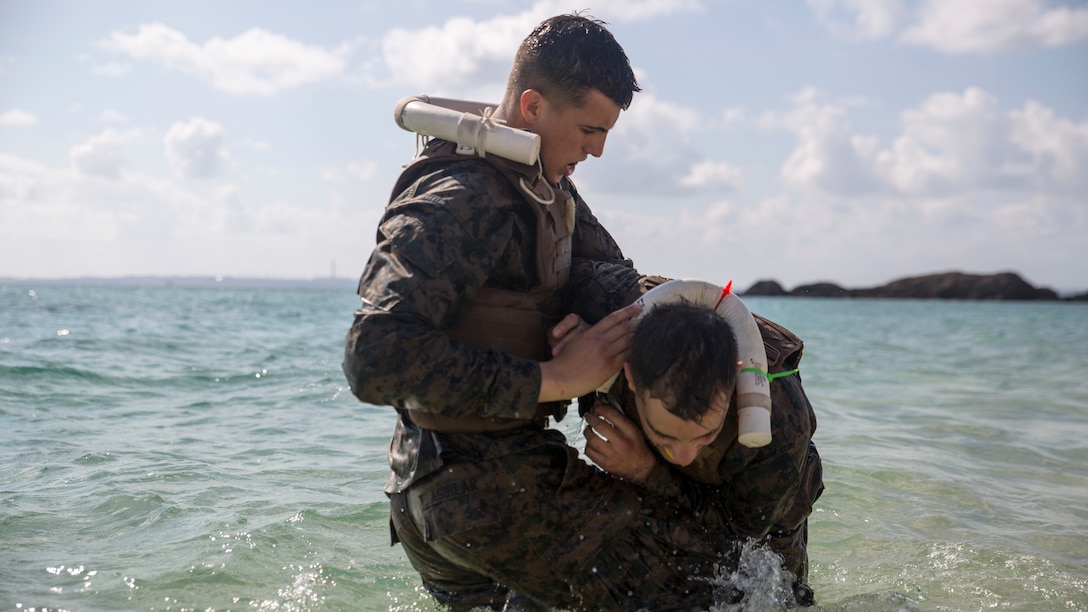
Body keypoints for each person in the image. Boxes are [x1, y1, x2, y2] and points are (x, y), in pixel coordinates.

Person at [343, 13, 742, 611]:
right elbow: (374, 356)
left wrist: (583, 331)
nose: (598, 149)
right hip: (480, 491)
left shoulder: (542, 185)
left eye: (606, 132)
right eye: (588, 128)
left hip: (451, 497)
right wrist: (553, 379)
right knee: (715, 581)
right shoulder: (461, 198)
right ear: (532, 106)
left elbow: (614, 278)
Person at [577, 296, 825, 606]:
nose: (684, 456)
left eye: (704, 435)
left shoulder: (782, 431)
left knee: (769, 595)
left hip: (759, 506)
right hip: (645, 459)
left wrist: (646, 470)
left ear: (732, 379)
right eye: (666, 437)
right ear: (629, 376)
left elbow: (736, 543)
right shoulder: (601, 324)